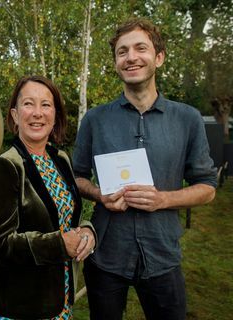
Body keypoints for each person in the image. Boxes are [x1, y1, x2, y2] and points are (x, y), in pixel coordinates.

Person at [72, 18, 217, 320]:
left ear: (159, 57)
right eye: (122, 52)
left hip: (162, 255)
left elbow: (207, 187)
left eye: (141, 48)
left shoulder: (187, 119)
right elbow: (76, 176)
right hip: (107, 255)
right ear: (115, 63)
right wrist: (99, 194)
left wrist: (163, 199)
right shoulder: (95, 120)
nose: (131, 57)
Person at [0, 75, 96, 319]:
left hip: (60, 295)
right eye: (28, 104)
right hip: (22, 303)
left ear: (55, 115)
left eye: (46, 105)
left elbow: (68, 216)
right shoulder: (6, 166)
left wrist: (86, 231)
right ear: (14, 115)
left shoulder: (61, 159)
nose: (37, 113)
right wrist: (59, 244)